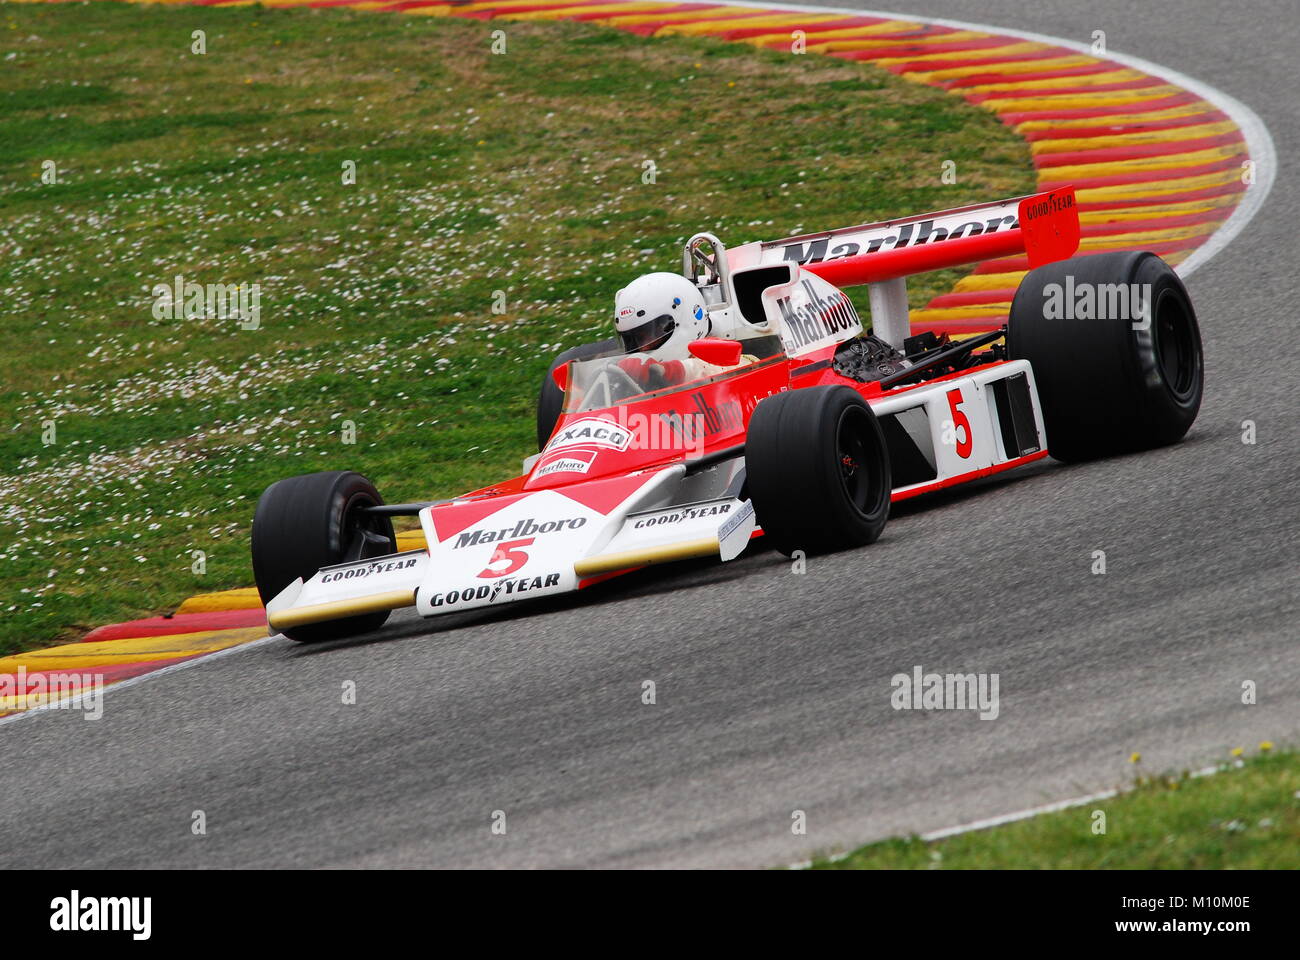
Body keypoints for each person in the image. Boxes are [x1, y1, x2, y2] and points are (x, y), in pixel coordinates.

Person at [613, 272, 745, 390]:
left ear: (684, 320)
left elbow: (742, 365)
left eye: (649, 336)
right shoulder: (633, 375)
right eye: (633, 339)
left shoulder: (722, 359)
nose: (643, 347)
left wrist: (669, 370)